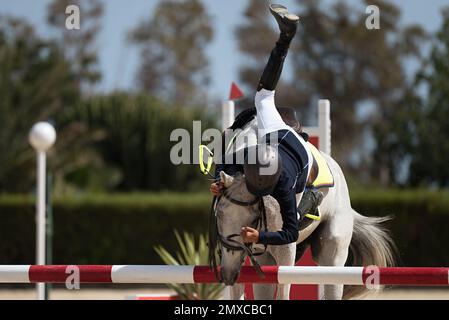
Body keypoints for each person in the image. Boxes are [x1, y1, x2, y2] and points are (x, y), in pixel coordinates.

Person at [211, 4, 323, 246]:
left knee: (294, 208)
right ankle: (286, 36)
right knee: (262, 97)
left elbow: (291, 234)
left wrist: (260, 236)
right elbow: (223, 162)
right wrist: (218, 182)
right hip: (277, 134)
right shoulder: (249, 157)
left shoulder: (283, 188)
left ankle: (312, 198)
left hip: (300, 157)